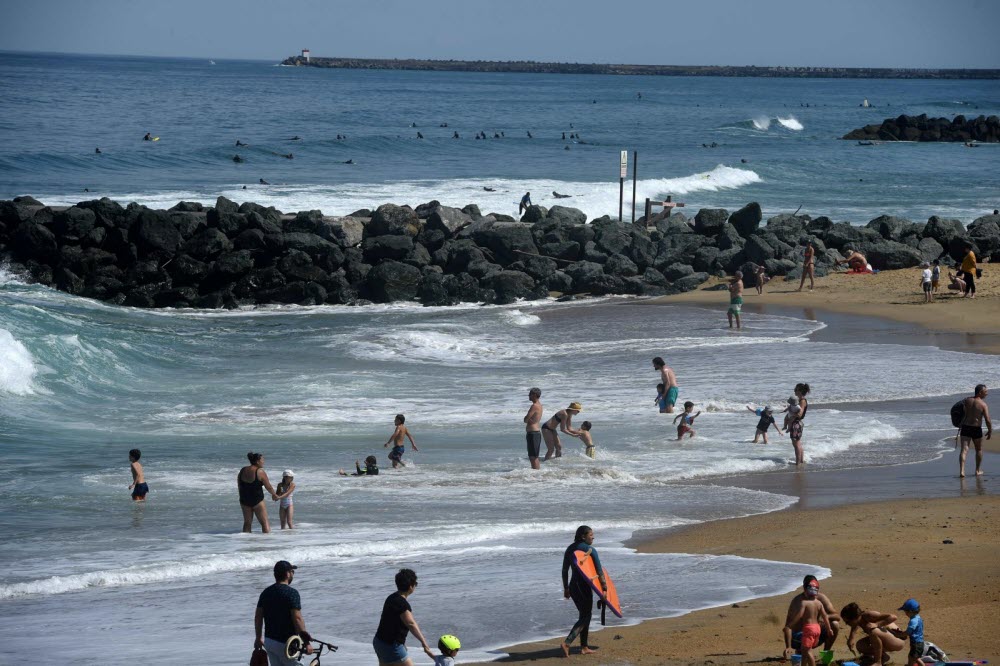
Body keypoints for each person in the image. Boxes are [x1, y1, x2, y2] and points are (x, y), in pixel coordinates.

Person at [373, 568, 436, 666]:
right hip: (391, 645)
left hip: (379, 642)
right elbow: (411, 624)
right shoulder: (402, 604)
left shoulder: (391, 598)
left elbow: (392, 624)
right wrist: (424, 643)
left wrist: (402, 644)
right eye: (415, 584)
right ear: (411, 586)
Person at [255, 560, 312, 666]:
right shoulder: (292, 593)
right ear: (287, 573)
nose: (293, 574)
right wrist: (307, 643)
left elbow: (258, 617)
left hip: (270, 642)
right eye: (292, 571)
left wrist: (258, 638)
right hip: (287, 645)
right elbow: (297, 619)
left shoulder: (265, 593)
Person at [561, 525, 604, 657]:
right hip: (584, 588)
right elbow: (599, 571)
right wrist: (605, 589)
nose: (593, 537)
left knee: (584, 615)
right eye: (591, 534)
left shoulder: (570, 549)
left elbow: (564, 570)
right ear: (583, 536)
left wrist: (566, 588)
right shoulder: (590, 550)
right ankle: (567, 642)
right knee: (586, 616)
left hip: (573, 587)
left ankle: (584, 647)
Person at [783, 575, 841, 656]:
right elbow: (788, 626)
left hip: (814, 633)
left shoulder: (820, 599)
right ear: (804, 588)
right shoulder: (798, 602)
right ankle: (801, 652)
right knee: (806, 654)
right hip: (799, 637)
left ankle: (825, 654)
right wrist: (788, 646)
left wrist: (825, 619)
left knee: (835, 624)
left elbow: (837, 616)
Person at [840, 602, 907, 666]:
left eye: (847, 622)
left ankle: (878, 662)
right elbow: (855, 626)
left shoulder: (868, 615)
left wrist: (877, 624)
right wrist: (851, 638)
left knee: (873, 631)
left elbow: (893, 617)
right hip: (887, 640)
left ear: (854, 618)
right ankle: (884, 657)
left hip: (897, 640)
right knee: (860, 645)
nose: (847, 624)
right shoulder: (859, 620)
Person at [958, 384, 991, 477]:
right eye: (985, 392)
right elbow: (987, 419)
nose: (987, 394)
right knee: (979, 449)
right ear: (980, 392)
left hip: (965, 427)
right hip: (976, 428)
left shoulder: (966, 400)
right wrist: (990, 430)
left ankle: (962, 471)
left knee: (964, 450)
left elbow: (960, 411)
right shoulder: (983, 404)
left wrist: (959, 423)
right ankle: (977, 471)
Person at [238, 452, 277, 533]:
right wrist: (274, 494)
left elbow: (239, 485)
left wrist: (242, 498)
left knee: (247, 523)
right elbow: (268, 486)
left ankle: (244, 542)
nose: (264, 461)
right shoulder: (260, 471)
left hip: (244, 500)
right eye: (262, 460)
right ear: (257, 461)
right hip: (257, 500)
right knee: (264, 522)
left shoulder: (243, 470)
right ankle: (267, 542)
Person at [890, 599, 923, 666]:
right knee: (915, 657)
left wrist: (898, 635)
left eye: (906, 611)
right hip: (919, 642)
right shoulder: (918, 617)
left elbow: (908, 632)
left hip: (916, 643)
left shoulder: (913, 621)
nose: (905, 614)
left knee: (911, 657)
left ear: (910, 611)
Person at [524, 387, 543, 470]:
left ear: (535, 395)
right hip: (535, 433)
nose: (528, 396)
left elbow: (525, 419)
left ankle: (536, 474)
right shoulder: (539, 405)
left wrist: (527, 419)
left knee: (533, 457)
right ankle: (537, 473)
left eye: (530, 394)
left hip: (533, 433)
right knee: (534, 456)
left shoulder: (534, 406)